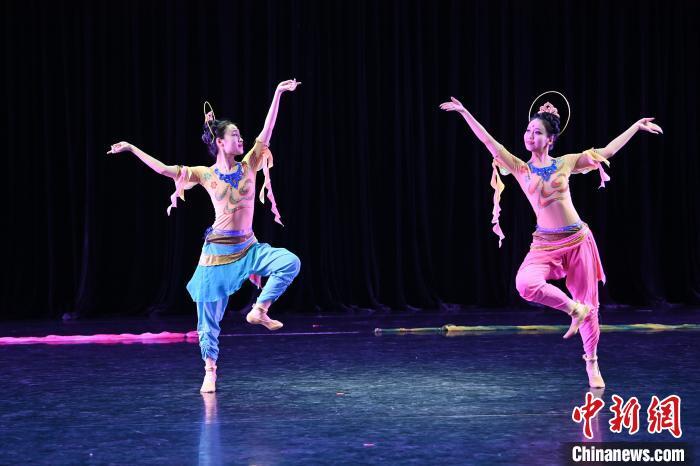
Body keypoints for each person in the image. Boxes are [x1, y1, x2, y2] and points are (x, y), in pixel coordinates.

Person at [440, 94, 662, 387]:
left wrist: (635, 126)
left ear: (550, 140)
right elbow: (488, 142)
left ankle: (592, 361)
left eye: (537, 132)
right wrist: (465, 112)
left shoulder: (566, 162)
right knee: (525, 284)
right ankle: (573, 309)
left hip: (578, 240)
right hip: (544, 244)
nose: (529, 135)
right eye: (528, 130)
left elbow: (607, 151)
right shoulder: (520, 167)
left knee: (591, 307)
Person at [109, 79, 302, 393]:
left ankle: (260, 309)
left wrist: (278, 93)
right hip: (216, 255)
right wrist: (131, 148)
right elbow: (164, 170)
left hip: (249, 248)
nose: (241, 138)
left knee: (289, 262)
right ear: (220, 142)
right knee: (208, 318)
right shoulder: (205, 173)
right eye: (235, 135)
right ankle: (210, 370)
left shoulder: (250, 164)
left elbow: (267, 131)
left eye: (240, 134)